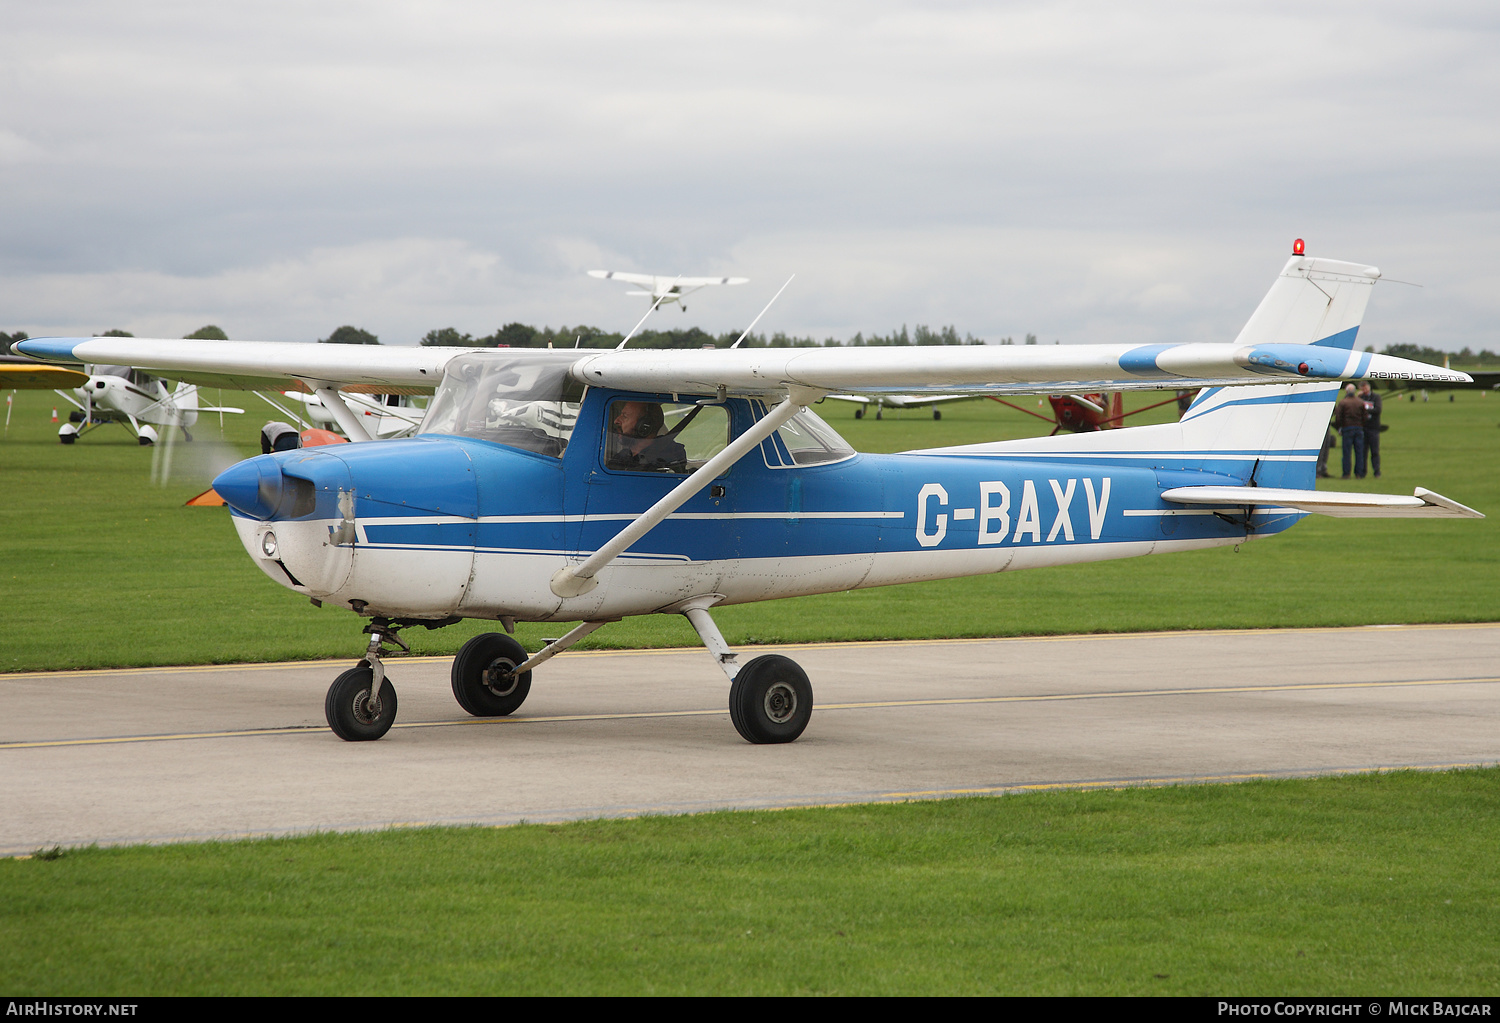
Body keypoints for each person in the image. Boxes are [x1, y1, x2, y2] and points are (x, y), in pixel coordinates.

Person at [607, 400, 687, 472]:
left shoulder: (668, 455)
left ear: (644, 426)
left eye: (624, 416)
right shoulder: (622, 457)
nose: (616, 421)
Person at [1333, 383, 1367, 478]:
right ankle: (1359, 473)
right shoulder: (1360, 402)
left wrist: (1340, 427)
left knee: (1347, 453)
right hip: (1359, 428)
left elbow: (1338, 417)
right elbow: (1365, 416)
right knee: (1359, 452)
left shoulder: (1343, 402)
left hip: (1347, 429)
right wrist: (1361, 425)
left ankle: (1346, 473)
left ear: (1346, 391)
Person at [1359, 382, 1383, 478]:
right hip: (1363, 427)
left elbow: (1378, 410)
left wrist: (1366, 410)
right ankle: (1363, 472)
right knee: (1363, 452)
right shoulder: (1360, 398)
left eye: (1365, 388)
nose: (1364, 390)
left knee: (1375, 451)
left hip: (1373, 428)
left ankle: (1377, 471)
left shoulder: (1376, 397)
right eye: (1362, 388)